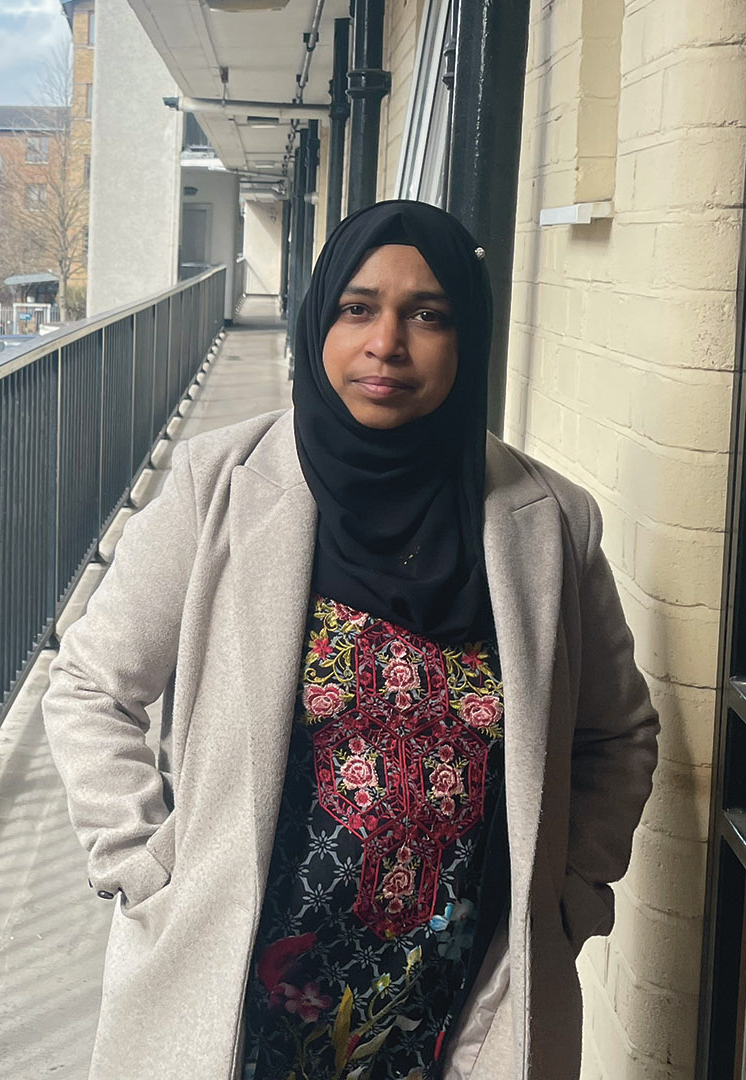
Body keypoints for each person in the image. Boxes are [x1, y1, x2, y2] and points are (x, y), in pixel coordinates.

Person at [41, 200, 659, 1080]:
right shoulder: (220, 486)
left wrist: (569, 897)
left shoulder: (548, 524)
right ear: (319, 319)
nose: (387, 343)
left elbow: (617, 734)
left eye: (428, 314)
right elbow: (91, 684)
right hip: (235, 1003)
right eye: (358, 308)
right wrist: (140, 863)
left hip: (452, 1009)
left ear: (469, 335)